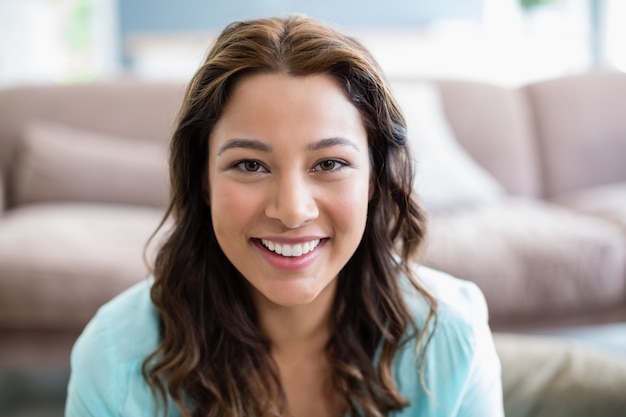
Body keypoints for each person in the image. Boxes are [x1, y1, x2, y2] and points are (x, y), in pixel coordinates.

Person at [65, 15, 504, 417]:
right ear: (203, 179)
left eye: (329, 163)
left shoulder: (452, 339)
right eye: (250, 165)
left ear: (373, 179)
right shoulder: (113, 358)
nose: (293, 211)